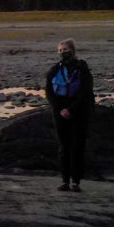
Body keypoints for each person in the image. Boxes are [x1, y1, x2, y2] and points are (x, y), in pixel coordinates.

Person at [45, 38, 94, 192]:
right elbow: (49, 92)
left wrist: (71, 109)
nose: (63, 53)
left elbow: (85, 91)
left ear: (72, 51)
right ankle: (65, 181)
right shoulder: (54, 70)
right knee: (63, 147)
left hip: (79, 111)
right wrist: (60, 109)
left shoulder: (82, 68)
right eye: (60, 50)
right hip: (59, 111)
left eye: (65, 49)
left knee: (78, 146)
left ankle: (76, 182)